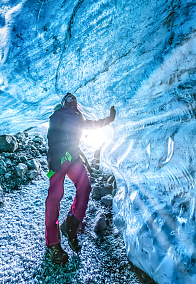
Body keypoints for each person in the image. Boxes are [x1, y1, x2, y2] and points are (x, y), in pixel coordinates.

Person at [45, 92, 116, 264]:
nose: (72, 100)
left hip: (69, 158)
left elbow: (92, 125)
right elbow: (52, 137)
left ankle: (70, 225)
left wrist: (109, 119)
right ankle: (53, 243)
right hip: (61, 159)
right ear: (65, 103)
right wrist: (56, 162)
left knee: (83, 188)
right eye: (70, 99)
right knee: (55, 197)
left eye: (73, 99)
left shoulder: (77, 117)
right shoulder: (59, 115)